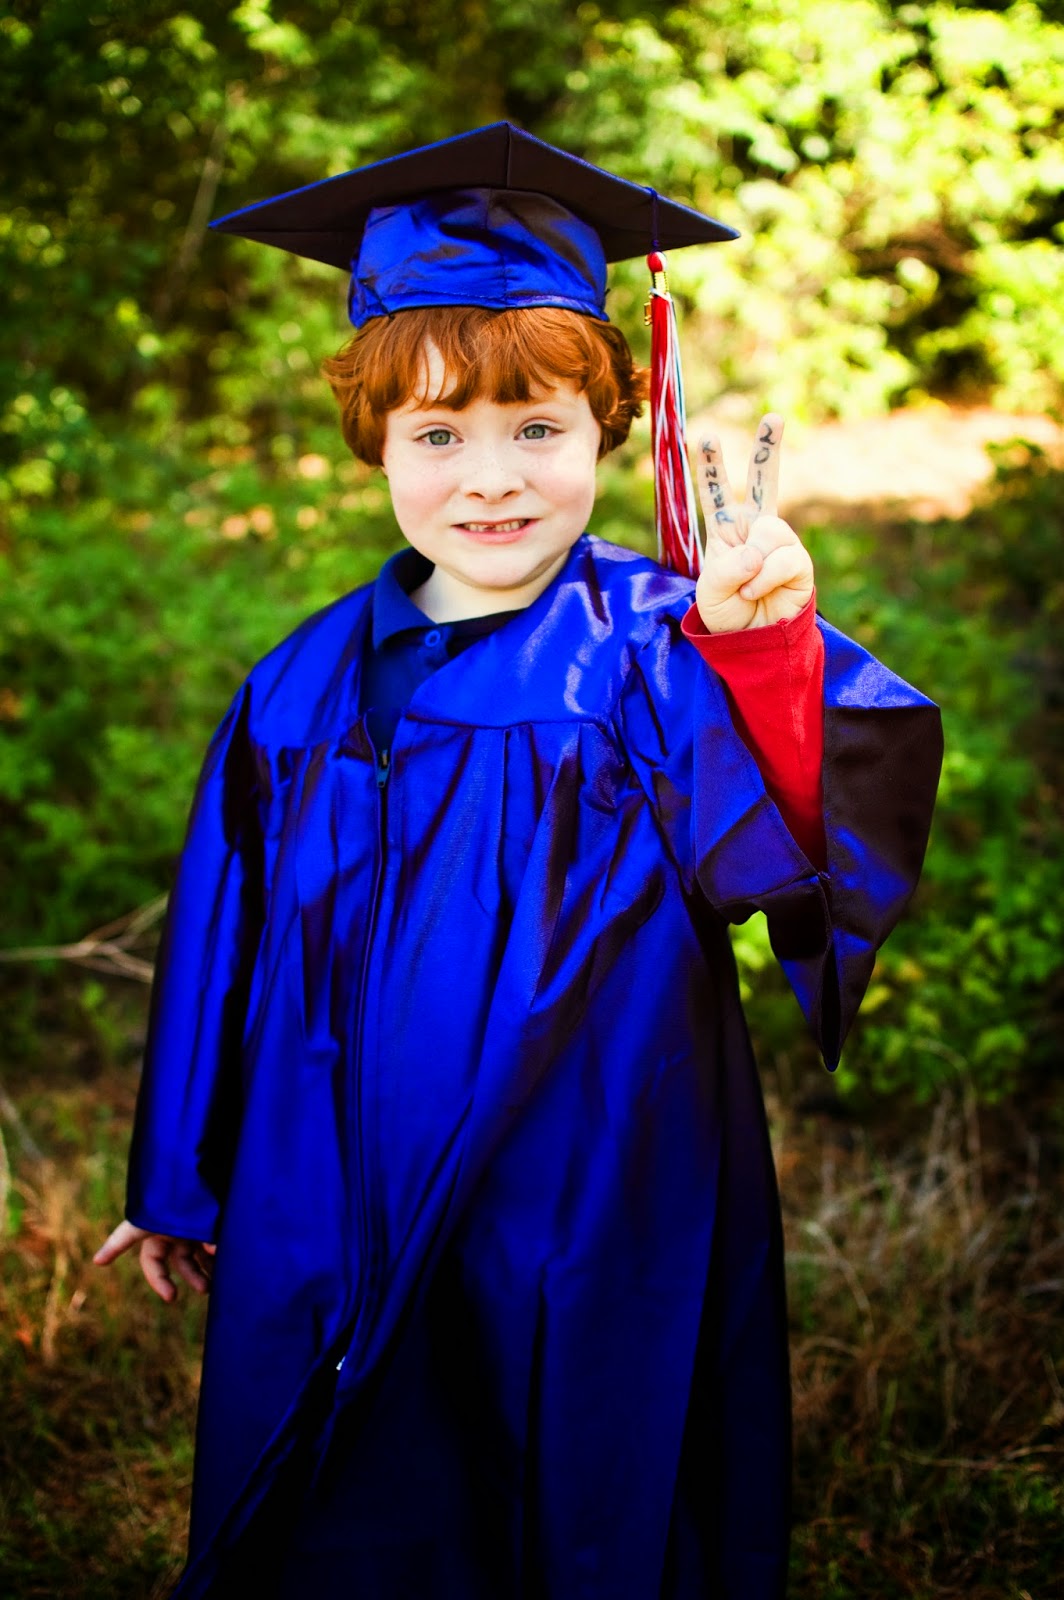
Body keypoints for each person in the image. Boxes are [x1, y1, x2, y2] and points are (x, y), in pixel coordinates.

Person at [95, 124, 942, 1599]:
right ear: (377, 444)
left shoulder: (662, 651)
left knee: (584, 1463)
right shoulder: (298, 687)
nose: (490, 480)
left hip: (601, 1168)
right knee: (367, 1477)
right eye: (438, 437)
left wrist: (773, 659)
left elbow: (795, 855)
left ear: (611, 427)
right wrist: (178, 1173)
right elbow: (223, 930)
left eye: (537, 430)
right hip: (333, 1165)